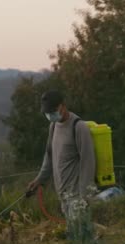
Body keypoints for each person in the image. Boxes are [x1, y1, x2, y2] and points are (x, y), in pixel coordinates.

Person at [27, 90, 97, 220]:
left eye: (53, 110)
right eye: (47, 113)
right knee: (73, 235)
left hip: (77, 197)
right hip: (63, 196)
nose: (50, 115)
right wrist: (39, 180)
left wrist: (84, 197)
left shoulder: (79, 127)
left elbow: (88, 163)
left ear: (63, 106)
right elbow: (49, 156)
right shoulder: (53, 126)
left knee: (81, 235)